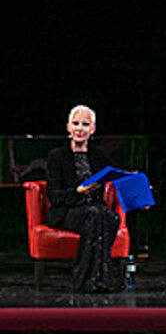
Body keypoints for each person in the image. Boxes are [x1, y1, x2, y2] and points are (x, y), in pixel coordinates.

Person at [47, 104, 121, 293]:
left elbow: (119, 177)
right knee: (97, 214)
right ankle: (88, 279)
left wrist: (141, 191)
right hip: (67, 211)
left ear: (92, 129)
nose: (80, 128)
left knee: (112, 217)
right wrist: (78, 191)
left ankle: (94, 278)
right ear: (68, 127)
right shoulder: (56, 156)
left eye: (85, 124)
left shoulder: (99, 155)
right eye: (76, 123)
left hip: (94, 211)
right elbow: (54, 196)